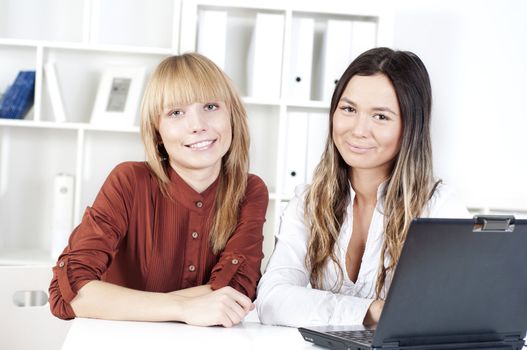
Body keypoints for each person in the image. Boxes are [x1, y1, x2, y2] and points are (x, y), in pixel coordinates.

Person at [49, 53, 269, 328]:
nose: (197, 125)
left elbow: (237, 290)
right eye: (176, 113)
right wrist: (183, 308)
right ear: (157, 129)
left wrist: (114, 301)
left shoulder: (250, 190)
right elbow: (68, 293)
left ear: (232, 115)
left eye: (211, 106)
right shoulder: (129, 181)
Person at [256, 47, 469, 327]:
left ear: (410, 127)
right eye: (348, 109)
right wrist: (373, 310)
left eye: (380, 116)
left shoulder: (438, 208)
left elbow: (459, 312)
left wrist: (334, 310)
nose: (358, 130)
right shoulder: (308, 201)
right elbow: (272, 299)